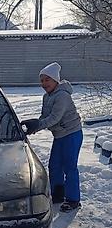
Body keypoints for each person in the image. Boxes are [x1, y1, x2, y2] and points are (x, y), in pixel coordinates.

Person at [21, 62, 83, 212]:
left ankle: (74, 200)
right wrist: (33, 126)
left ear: (55, 80)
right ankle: (58, 195)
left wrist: (39, 125)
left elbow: (54, 118)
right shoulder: (46, 97)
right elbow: (45, 116)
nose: (43, 83)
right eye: (42, 80)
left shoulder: (62, 96)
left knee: (69, 167)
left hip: (72, 134)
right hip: (60, 135)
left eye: (47, 79)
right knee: (54, 165)